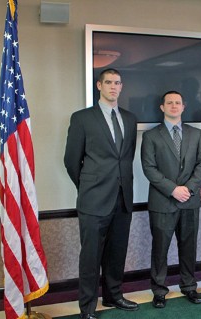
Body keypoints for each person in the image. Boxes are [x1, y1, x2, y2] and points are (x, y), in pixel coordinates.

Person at [64, 68, 138, 319]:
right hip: (94, 199)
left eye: (117, 83)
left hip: (123, 197)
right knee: (91, 256)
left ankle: (113, 295)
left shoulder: (129, 118)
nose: (113, 87)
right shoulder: (82, 118)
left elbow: (127, 158)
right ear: (99, 85)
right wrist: (87, 186)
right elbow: (71, 161)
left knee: (117, 252)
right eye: (108, 82)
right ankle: (87, 308)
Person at [141, 91, 201, 308]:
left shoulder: (196, 134)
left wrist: (187, 188)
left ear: (183, 106)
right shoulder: (151, 136)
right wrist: (173, 190)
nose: (173, 106)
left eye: (177, 102)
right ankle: (159, 291)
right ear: (162, 107)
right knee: (160, 249)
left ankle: (189, 287)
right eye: (169, 103)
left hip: (190, 200)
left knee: (189, 247)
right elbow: (149, 168)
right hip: (163, 201)